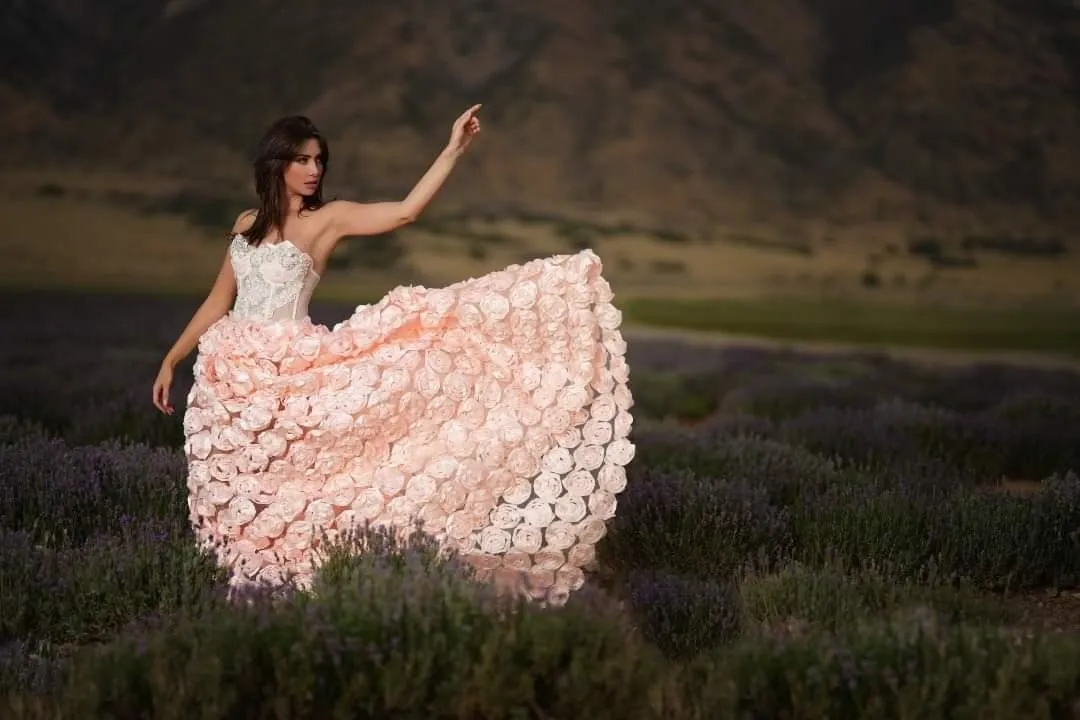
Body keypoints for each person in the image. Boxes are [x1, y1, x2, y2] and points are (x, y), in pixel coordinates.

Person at [151, 105, 635, 605]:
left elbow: (405, 211)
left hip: (294, 373)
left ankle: (319, 583)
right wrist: (172, 358)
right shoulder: (245, 223)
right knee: (241, 491)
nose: (315, 170)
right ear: (276, 163)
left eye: (320, 160)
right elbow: (219, 299)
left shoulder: (329, 220)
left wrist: (452, 150)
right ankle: (245, 593)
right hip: (233, 378)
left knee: (314, 487)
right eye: (303, 160)